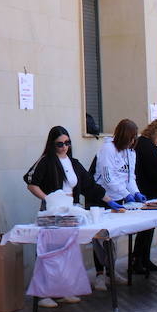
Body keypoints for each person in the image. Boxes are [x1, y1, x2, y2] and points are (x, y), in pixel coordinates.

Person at [24, 126, 111, 301]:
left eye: (67, 143)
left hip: (71, 210)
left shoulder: (74, 163)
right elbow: (31, 183)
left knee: (67, 251)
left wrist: (109, 200)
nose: (64, 147)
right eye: (60, 144)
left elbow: (89, 186)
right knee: (49, 250)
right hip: (53, 211)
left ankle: (63, 289)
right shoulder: (46, 161)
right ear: (52, 144)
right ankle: (44, 294)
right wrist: (48, 199)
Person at [131, 119, 157, 274]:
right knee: (146, 229)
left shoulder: (143, 144)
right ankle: (139, 260)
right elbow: (156, 170)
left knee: (147, 229)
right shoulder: (148, 147)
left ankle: (143, 259)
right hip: (147, 192)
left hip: (146, 191)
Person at [95, 119, 145, 206]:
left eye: (134, 138)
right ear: (124, 137)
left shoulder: (130, 152)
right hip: (103, 197)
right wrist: (126, 194)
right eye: (131, 138)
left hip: (118, 197)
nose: (133, 141)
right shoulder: (108, 149)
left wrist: (135, 192)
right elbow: (108, 178)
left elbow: (130, 177)